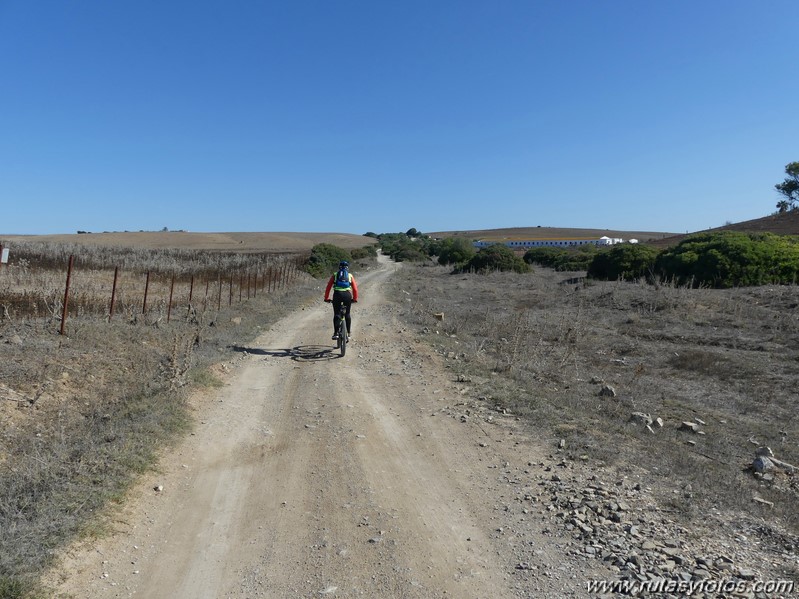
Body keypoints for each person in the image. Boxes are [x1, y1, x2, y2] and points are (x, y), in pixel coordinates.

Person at [324, 260, 358, 340]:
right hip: (347, 295)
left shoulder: (335, 275)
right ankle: (348, 333)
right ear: (347, 268)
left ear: (339, 267)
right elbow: (355, 289)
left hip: (337, 295)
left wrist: (326, 298)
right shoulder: (350, 276)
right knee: (347, 314)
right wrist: (355, 299)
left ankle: (336, 333)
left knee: (337, 314)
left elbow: (328, 288)